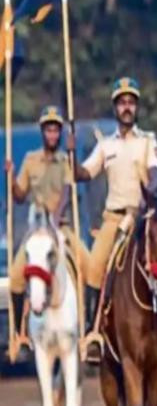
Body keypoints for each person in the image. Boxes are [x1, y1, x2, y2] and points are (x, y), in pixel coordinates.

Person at [70, 77, 157, 362]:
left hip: (143, 215)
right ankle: (94, 332)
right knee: (95, 266)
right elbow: (84, 174)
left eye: (131, 102)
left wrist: (150, 191)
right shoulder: (105, 145)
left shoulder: (147, 141)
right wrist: (71, 154)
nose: (126, 107)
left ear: (136, 107)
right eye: (122, 103)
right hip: (114, 218)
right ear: (115, 108)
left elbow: (155, 171)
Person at [5, 106, 89, 363]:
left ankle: (89, 330)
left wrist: (55, 217)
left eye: (56, 130)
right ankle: (20, 333)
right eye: (48, 130)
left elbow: (67, 192)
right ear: (42, 132)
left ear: (60, 133)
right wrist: (10, 177)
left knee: (91, 266)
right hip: (37, 230)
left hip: (61, 226)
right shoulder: (30, 160)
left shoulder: (65, 160)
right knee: (16, 277)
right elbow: (20, 196)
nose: (52, 134)